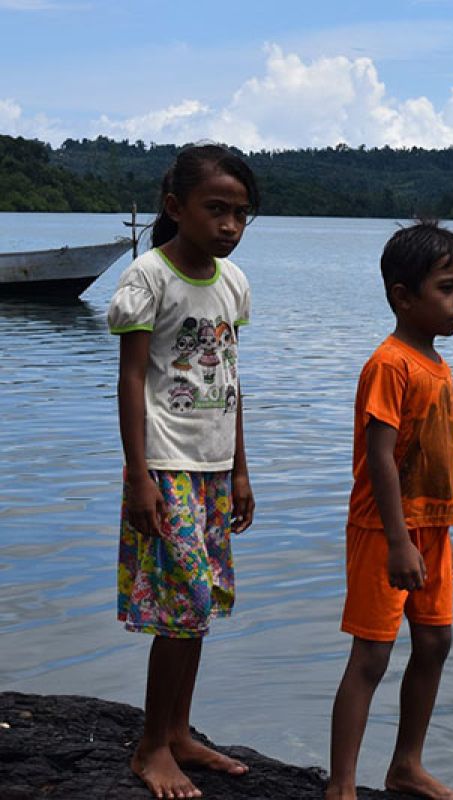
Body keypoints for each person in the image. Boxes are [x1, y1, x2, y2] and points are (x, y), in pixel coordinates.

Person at [108, 143, 260, 799]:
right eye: (216, 209)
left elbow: (230, 382)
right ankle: (150, 747)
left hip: (214, 467)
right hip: (165, 462)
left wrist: (242, 471)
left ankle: (177, 732)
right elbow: (131, 377)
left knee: (197, 610)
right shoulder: (148, 277)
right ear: (176, 208)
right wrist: (136, 474)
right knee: (184, 602)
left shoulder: (234, 283)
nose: (229, 225)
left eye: (241, 214)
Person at [326, 221, 453, 800]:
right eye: (446, 288)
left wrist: (434, 534)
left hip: (432, 528)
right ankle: (341, 785)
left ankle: (405, 766)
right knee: (372, 655)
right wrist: (397, 542)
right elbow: (380, 459)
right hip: (385, 530)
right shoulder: (390, 364)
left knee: (435, 643)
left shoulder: (436, 362)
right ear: (402, 296)